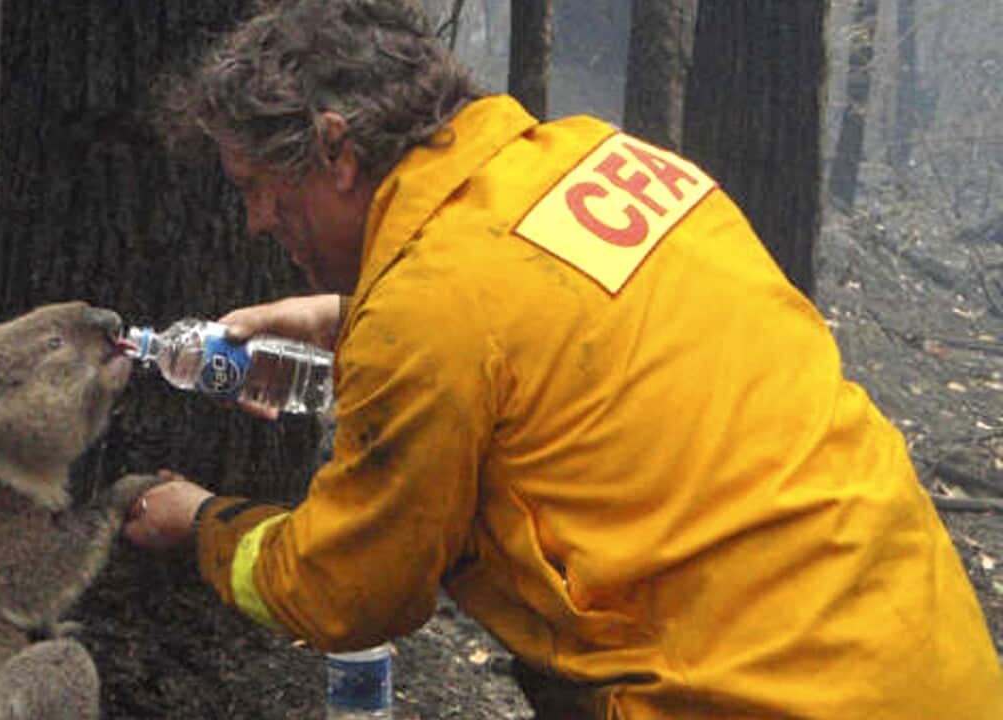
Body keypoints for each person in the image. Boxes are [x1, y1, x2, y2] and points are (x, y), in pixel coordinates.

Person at [122, 1, 1003, 717]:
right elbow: (554, 337)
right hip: (927, 654)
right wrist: (345, 318)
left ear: (336, 150)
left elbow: (349, 592)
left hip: (752, 697)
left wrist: (201, 523)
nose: (256, 224)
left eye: (255, 190)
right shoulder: (601, 159)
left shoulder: (430, 313)